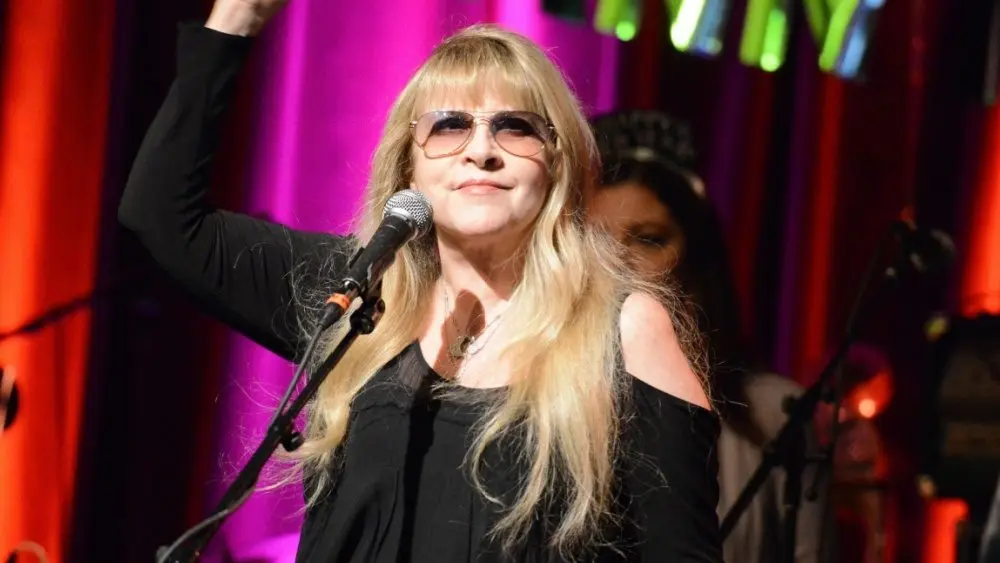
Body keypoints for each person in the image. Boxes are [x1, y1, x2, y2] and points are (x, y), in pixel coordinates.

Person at [118, 1, 724, 561]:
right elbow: (163, 218)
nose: (480, 150)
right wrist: (239, 15)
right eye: (450, 125)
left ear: (557, 165)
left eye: (515, 127)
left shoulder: (619, 329)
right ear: (409, 165)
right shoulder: (357, 294)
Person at [589, 110, 833, 563]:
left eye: (647, 238)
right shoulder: (526, 400)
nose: (618, 262)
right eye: (597, 240)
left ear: (694, 255)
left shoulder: (773, 415)